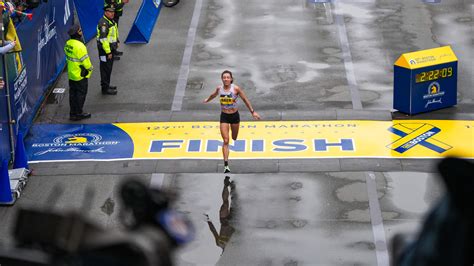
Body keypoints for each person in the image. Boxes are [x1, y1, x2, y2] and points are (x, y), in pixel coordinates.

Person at [203, 70, 261, 173]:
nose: (226, 79)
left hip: (234, 116)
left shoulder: (236, 89)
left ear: (231, 79)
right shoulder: (219, 89)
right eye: (224, 77)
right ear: (222, 79)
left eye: (227, 77)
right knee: (226, 140)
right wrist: (208, 99)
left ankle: (233, 138)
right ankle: (226, 165)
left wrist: (253, 112)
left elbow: (245, 100)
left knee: (234, 137)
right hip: (224, 116)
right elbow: (213, 95)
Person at [64, 24, 93, 121]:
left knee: (72, 95)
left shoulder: (68, 43)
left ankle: (72, 113)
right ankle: (79, 113)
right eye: (80, 30)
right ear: (77, 33)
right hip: (80, 74)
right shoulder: (80, 46)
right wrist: (90, 69)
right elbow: (86, 61)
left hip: (71, 74)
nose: (81, 32)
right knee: (81, 94)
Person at [205, 176, 235, 254]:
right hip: (232, 221)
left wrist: (208, 220)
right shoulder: (234, 247)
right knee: (233, 204)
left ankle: (226, 185)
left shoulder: (219, 243)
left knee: (225, 204)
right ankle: (233, 188)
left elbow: (213, 231)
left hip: (224, 221)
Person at [97, 6, 119, 95]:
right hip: (105, 51)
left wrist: (117, 41)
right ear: (105, 12)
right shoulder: (104, 24)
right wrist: (108, 52)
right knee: (105, 69)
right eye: (110, 12)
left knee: (108, 68)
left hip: (110, 49)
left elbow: (113, 33)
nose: (112, 13)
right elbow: (103, 39)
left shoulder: (110, 21)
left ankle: (107, 84)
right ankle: (105, 89)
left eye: (113, 12)